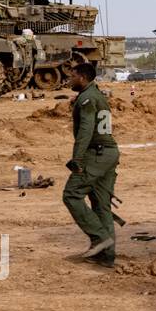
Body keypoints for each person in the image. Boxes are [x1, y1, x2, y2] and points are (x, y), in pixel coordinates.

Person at [62, 61, 120, 266]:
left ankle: (100, 238)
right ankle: (107, 256)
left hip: (96, 154)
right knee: (101, 205)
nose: (70, 79)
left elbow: (85, 131)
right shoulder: (96, 95)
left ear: (83, 78)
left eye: (72, 76)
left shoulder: (86, 99)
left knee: (71, 194)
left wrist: (77, 159)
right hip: (109, 153)